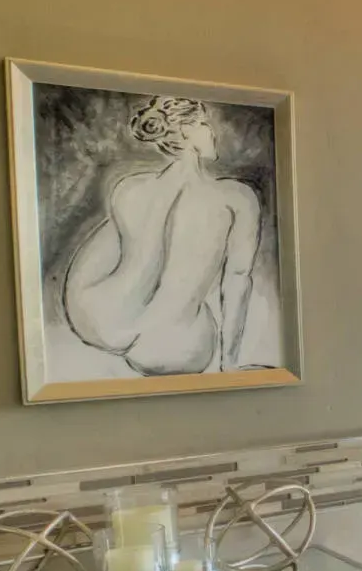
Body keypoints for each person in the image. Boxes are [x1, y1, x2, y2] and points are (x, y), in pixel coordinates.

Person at [63, 96, 263, 376]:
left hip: (98, 318)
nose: (211, 132)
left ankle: (136, 311)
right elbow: (237, 280)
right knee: (193, 300)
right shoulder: (237, 198)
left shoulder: (129, 186)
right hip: (169, 348)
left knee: (122, 233)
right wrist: (229, 364)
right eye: (204, 124)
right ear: (186, 132)